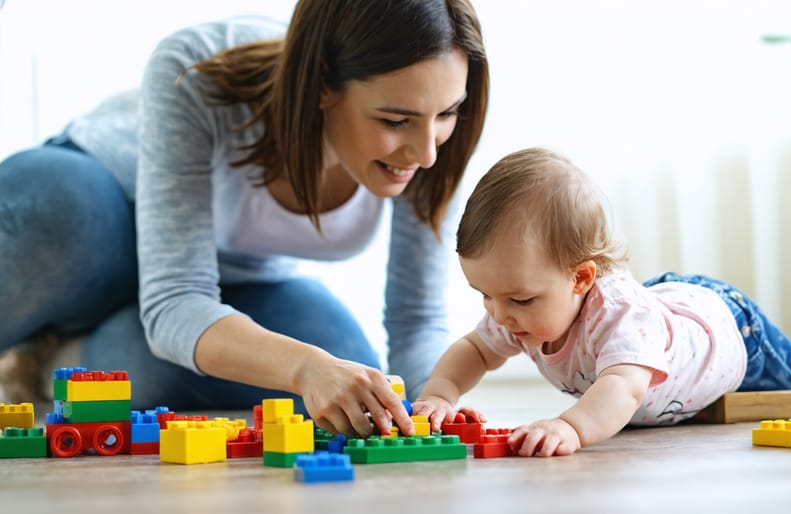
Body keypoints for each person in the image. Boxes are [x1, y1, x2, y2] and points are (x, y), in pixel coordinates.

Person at [0, 0, 489, 438]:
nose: (426, 153)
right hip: (95, 219)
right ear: (322, 83)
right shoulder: (195, 66)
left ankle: (51, 363)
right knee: (57, 212)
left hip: (218, 285)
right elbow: (176, 296)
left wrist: (434, 401)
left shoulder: (432, 136)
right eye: (394, 121)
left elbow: (416, 319)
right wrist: (301, 367)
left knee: (348, 371)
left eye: (448, 112)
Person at [412, 147, 791, 457]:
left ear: (581, 278)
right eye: (485, 295)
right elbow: (474, 349)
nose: (498, 314)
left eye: (516, 298)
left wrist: (570, 428)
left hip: (726, 335)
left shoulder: (618, 316)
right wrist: (439, 393)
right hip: (668, 319)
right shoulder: (515, 311)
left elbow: (622, 390)